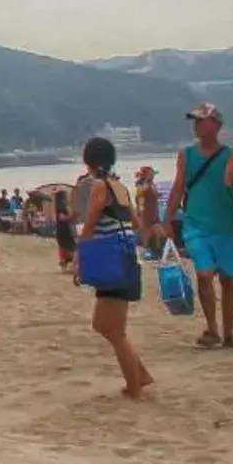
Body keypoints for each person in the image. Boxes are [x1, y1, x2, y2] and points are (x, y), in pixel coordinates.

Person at [166, 103, 233, 350]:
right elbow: (178, 186)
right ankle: (212, 328)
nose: (196, 125)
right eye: (195, 120)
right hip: (195, 224)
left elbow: (228, 182)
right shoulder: (186, 154)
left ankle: (229, 333)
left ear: (216, 125)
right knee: (204, 274)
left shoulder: (228, 155)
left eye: (201, 120)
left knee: (228, 280)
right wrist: (168, 219)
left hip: (225, 225)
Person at [75, 136, 155, 398]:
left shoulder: (99, 186)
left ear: (88, 160)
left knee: (116, 331)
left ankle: (135, 388)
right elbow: (135, 223)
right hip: (125, 259)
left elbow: (90, 223)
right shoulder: (119, 186)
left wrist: (79, 257)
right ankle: (139, 373)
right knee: (102, 324)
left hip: (114, 263)